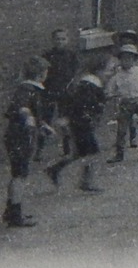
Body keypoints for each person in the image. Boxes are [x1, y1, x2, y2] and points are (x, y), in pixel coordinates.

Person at [1, 55, 48, 228]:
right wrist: (28, 119)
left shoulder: (28, 89)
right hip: (21, 137)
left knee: (19, 174)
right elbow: (21, 108)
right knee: (19, 175)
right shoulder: (28, 90)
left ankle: (11, 210)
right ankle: (15, 214)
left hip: (18, 135)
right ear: (41, 74)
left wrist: (41, 124)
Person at [46, 62, 107, 193]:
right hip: (81, 123)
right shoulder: (90, 85)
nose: (109, 73)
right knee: (92, 152)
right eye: (108, 70)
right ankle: (86, 182)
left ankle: (55, 169)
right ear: (99, 71)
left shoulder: (88, 84)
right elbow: (82, 104)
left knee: (80, 153)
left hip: (79, 122)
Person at [105, 44, 138, 163]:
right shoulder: (117, 76)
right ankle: (119, 154)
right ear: (120, 60)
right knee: (121, 130)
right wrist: (114, 95)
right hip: (126, 104)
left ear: (135, 60)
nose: (127, 61)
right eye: (124, 58)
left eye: (130, 58)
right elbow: (108, 91)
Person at [39, 27, 79, 160]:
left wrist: (70, 86)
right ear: (52, 40)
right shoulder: (47, 56)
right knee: (45, 119)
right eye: (57, 39)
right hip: (49, 91)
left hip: (65, 92)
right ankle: (39, 150)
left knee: (65, 120)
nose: (60, 42)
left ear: (67, 40)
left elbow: (74, 72)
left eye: (63, 39)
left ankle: (67, 148)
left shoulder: (71, 55)